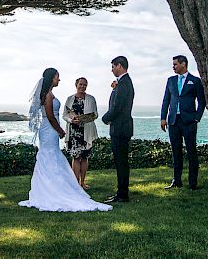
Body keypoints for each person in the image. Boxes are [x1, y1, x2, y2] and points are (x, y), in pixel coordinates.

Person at [18, 68, 111, 212]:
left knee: (50, 155)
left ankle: (51, 186)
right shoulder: (48, 95)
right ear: (51, 78)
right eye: (57, 77)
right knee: (50, 155)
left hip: (49, 129)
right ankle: (53, 189)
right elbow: (50, 116)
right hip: (49, 129)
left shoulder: (49, 94)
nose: (59, 79)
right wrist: (61, 131)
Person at [161, 55, 206, 190]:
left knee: (191, 151)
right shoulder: (171, 81)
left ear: (183, 64)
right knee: (176, 151)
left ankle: (193, 183)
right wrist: (163, 118)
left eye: (175, 64)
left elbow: (202, 101)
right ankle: (177, 180)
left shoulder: (195, 81)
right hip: (174, 120)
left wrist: (197, 117)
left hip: (189, 120)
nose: (173, 66)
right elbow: (166, 100)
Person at [102, 56, 135, 203]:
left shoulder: (124, 83)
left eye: (113, 67)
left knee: (121, 162)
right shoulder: (123, 83)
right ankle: (121, 192)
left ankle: (122, 194)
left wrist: (105, 118)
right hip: (122, 127)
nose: (112, 70)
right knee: (121, 161)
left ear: (120, 66)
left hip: (120, 128)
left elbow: (117, 106)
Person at [62, 77, 99, 189]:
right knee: (76, 157)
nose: (82, 87)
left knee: (84, 157)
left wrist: (86, 118)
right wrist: (71, 120)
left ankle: (82, 182)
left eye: (85, 85)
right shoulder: (69, 99)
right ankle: (75, 184)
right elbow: (64, 115)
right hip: (74, 131)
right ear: (76, 85)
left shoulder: (91, 99)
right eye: (81, 84)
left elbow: (96, 114)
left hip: (86, 131)